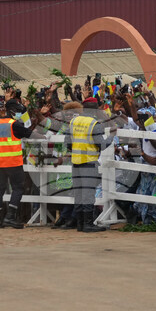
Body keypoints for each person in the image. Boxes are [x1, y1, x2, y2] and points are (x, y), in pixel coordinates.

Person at [0, 99, 33, 229]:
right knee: (18, 188)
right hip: (13, 162)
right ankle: (10, 217)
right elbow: (29, 132)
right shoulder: (14, 124)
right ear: (13, 111)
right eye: (18, 111)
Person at [69, 96, 107, 232]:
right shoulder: (94, 124)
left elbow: (67, 143)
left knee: (78, 194)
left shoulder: (73, 121)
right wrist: (111, 137)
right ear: (95, 110)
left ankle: (80, 224)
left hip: (75, 162)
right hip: (89, 162)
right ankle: (88, 224)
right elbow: (102, 144)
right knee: (88, 194)